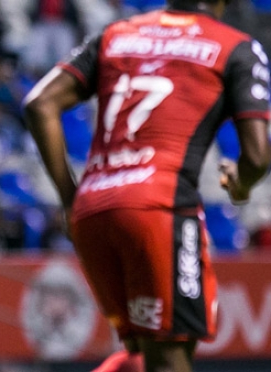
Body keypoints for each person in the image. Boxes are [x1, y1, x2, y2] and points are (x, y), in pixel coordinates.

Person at [22, 0, 271, 370]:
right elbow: (257, 157)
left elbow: (40, 103)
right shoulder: (235, 47)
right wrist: (240, 184)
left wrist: (69, 199)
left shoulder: (117, 34)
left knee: (139, 353)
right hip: (158, 208)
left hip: (94, 207)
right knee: (170, 356)